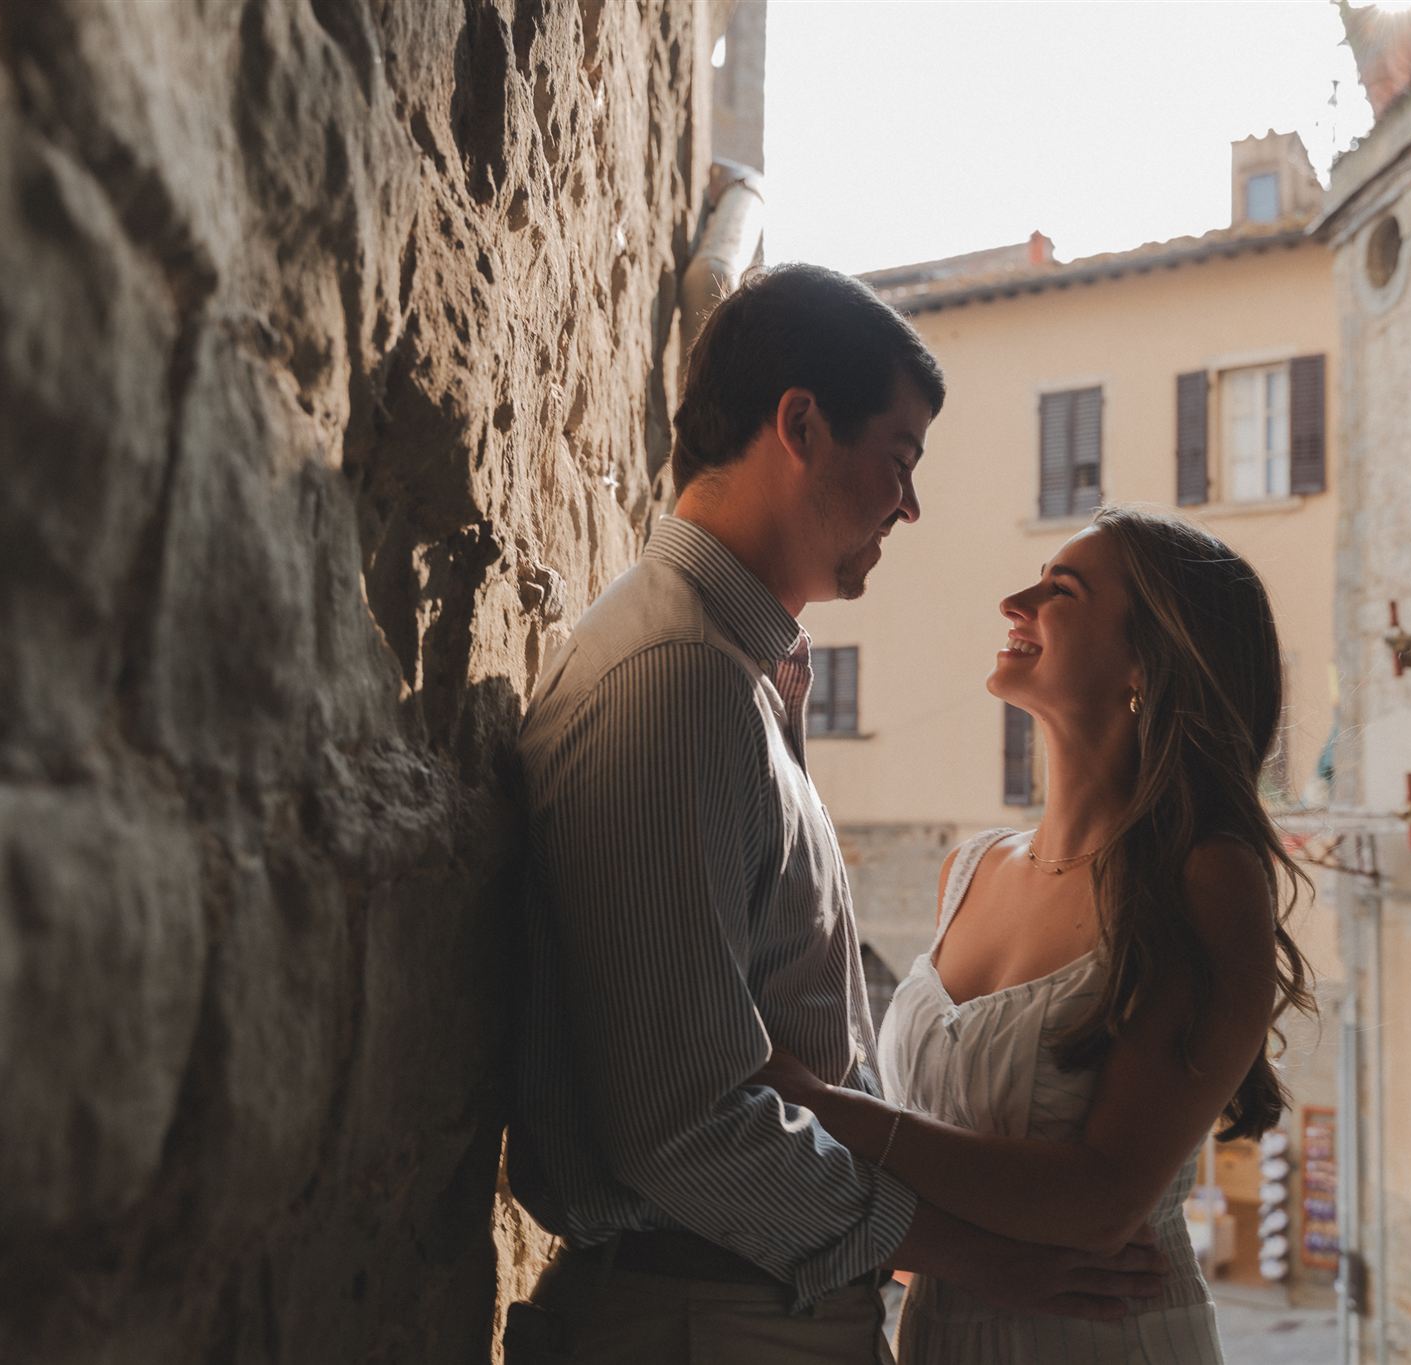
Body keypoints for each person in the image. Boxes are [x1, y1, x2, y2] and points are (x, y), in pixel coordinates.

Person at [504, 265, 1167, 1365]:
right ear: (799, 425)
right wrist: (964, 1252)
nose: (908, 506)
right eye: (897, 461)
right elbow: (681, 1125)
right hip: (704, 1320)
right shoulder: (679, 683)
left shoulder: (734, 673)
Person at [753, 504, 1315, 1363]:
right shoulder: (968, 869)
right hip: (942, 1331)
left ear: (1145, 657)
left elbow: (1103, 1199)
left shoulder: (1202, 881)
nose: (1015, 599)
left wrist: (835, 1111)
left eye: (1062, 589)